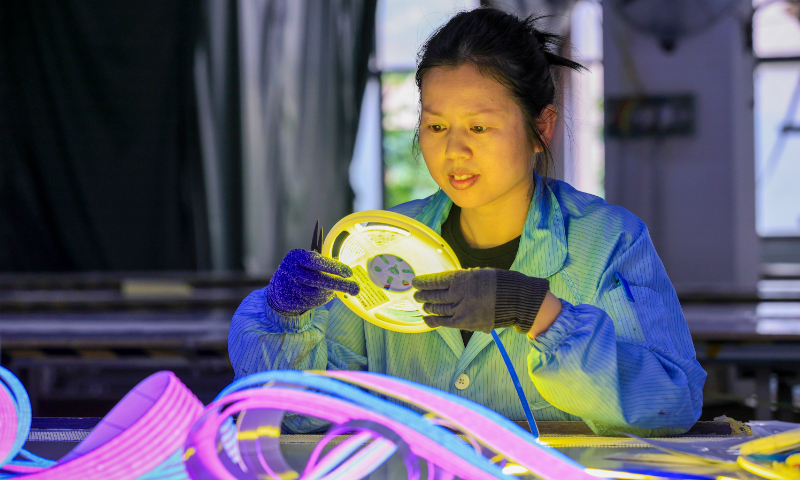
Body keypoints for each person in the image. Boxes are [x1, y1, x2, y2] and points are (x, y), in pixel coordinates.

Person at [229, 7, 706, 436]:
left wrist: (535, 312)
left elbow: (671, 401)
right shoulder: (379, 244)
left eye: (479, 127)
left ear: (542, 128)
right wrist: (285, 318)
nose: (454, 150)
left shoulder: (606, 241)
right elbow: (298, 415)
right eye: (436, 126)